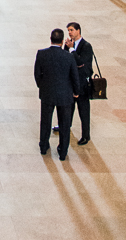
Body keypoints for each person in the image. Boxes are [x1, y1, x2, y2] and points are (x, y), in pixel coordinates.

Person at [34, 28, 81, 159]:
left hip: (47, 94)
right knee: (64, 124)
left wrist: (42, 87)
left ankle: (43, 146)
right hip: (65, 95)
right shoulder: (69, 56)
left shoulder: (41, 54)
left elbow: (37, 74)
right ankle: (62, 151)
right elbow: (74, 76)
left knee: (45, 122)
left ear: (50, 39)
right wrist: (76, 92)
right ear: (62, 41)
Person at [66, 22, 94, 146]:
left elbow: (80, 63)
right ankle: (66, 126)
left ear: (78, 31)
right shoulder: (68, 45)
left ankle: (86, 135)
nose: (70, 33)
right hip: (70, 83)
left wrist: (72, 49)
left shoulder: (86, 46)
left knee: (83, 111)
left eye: (72, 30)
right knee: (68, 108)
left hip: (82, 85)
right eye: (68, 31)